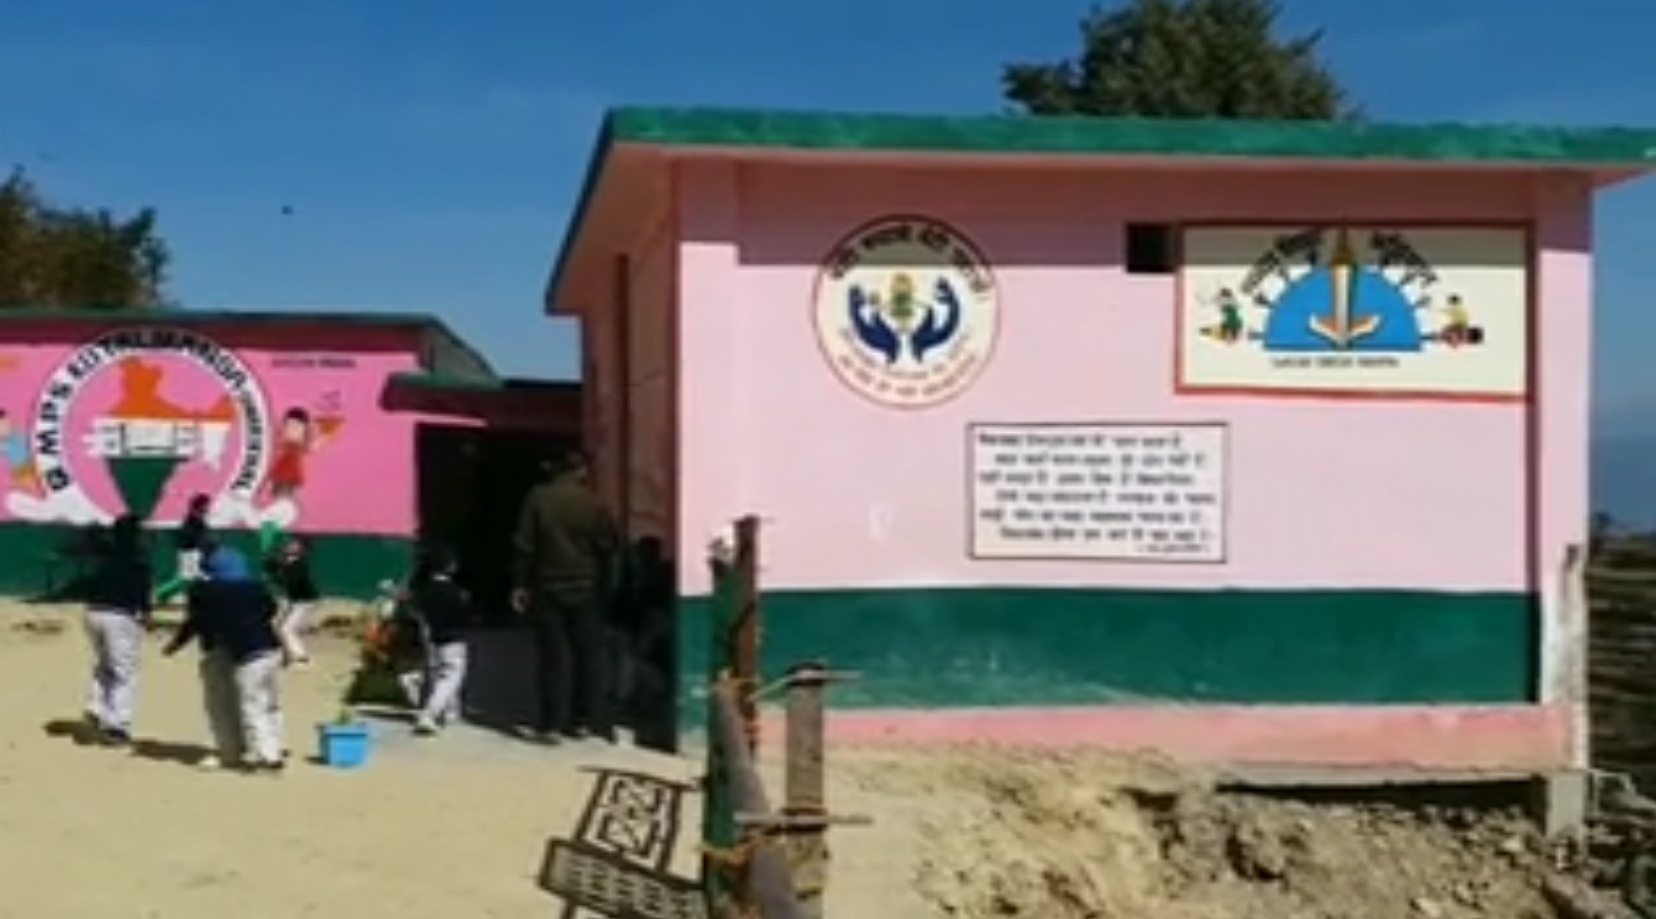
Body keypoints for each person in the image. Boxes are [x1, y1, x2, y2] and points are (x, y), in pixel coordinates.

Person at [511, 449, 620, 744]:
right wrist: (608, 587)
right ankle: (582, 720)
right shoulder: (594, 504)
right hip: (586, 588)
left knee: (552, 657)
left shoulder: (537, 498)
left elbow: (524, 544)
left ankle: (550, 724)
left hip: (547, 586)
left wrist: (520, 584)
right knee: (587, 655)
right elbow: (608, 547)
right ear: (582, 471)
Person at [164, 547, 286, 773]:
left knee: (235, 704)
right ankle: (274, 747)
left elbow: (195, 621)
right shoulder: (256, 587)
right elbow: (270, 610)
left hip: (234, 650)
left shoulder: (204, 590)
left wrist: (175, 644)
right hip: (269, 649)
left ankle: (263, 757)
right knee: (267, 702)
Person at [81, 514, 154, 746]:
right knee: (125, 671)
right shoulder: (138, 559)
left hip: (93, 613)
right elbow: (142, 597)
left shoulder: (106, 553)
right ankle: (117, 727)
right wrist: (147, 617)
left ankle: (96, 706)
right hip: (119, 617)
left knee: (105, 663)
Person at [401, 543, 474, 737]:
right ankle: (429, 714)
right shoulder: (456, 592)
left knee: (439, 674)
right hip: (453, 640)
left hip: (433, 638)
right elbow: (465, 618)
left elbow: (413, 610)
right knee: (450, 677)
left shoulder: (424, 591)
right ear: (451, 566)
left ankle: (450, 712)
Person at [265, 536, 320, 667]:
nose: (289, 545)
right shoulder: (288, 561)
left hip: (304, 602)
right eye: (290, 543)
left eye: (294, 544)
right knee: (276, 626)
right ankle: (284, 655)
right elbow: (273, 567)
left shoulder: (300, 564)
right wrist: (272, 565)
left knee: (287, 629)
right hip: (294, 601)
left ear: (301, 549)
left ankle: (301, 658)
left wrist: (275, 575)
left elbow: (289, 579)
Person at [155, 494, 213, 604]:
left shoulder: (197, 518)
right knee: (186, 578)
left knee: (195, 577)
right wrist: (199, 545)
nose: (208, 508)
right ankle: (160, 593)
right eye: (206, 505)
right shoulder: (192, 519)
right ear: (200, 506)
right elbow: (188, 537)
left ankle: (163, 594)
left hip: (193, 553)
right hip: (189, 553)